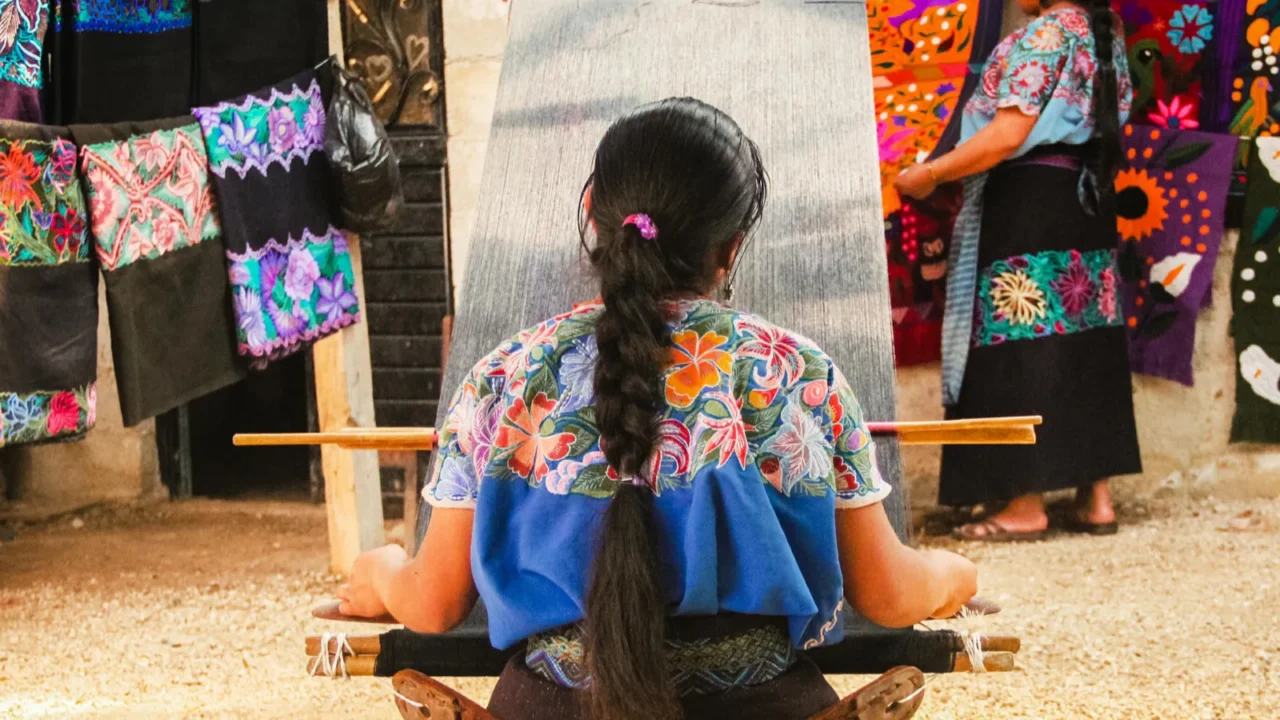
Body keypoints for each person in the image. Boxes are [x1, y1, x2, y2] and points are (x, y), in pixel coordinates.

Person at [335, 98, 978, 720]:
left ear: (593, 216)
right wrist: (953, 576)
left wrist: (384, 574)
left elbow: (434, 601)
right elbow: (890, 595)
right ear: (732, 245)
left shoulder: (505, 377)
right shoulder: (794, 370)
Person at [894, 0, 1141, 541]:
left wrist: (929, 174)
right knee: (1085, 342)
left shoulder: (1046, 35)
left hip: (1031, 202)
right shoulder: (1105, 35)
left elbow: (1006, 136)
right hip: (1086, 203)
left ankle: (1024, 505)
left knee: (1019, 339)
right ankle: (1096, 498)